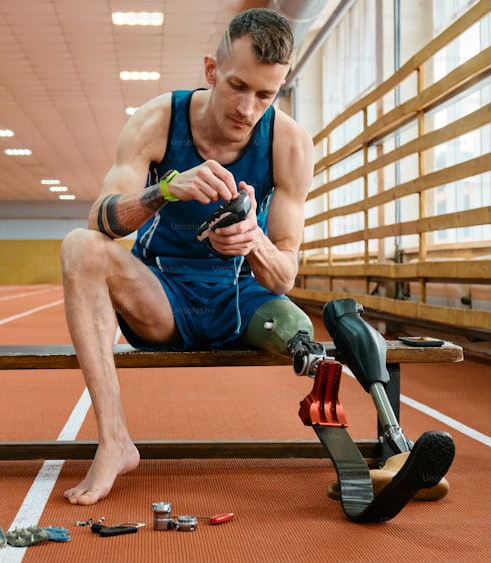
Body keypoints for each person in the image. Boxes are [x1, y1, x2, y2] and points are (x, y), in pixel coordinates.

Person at [59, 7, 315, 506]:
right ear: (211, 70)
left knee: (308, 328)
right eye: (238, 86)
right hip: (164, 299)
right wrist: (167, 191)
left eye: (266, 94)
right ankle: (115, 441)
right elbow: (100, 220)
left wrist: (251, 238)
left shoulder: (290, 143)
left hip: (241, 299)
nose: (248, 108)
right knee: (78, 247)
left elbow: (284, 275)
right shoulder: (158, 120)